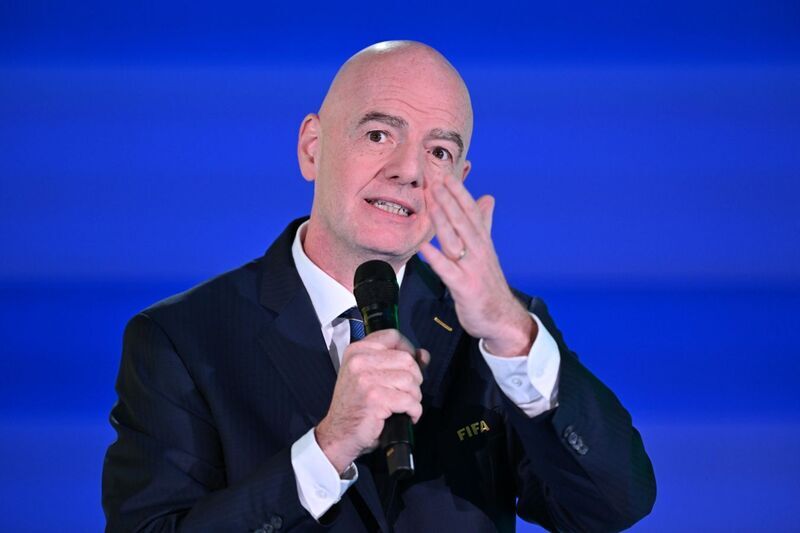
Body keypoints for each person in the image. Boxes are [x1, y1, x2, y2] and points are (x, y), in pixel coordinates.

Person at [102, 41, 656, 532]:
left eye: (439, 152)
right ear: (312, 147)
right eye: (378, 134)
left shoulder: (498, 332)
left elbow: (611, 507)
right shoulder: (182, 339)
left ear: (460, 182)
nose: (408, 170)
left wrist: (512, 336)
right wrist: (328, 447)